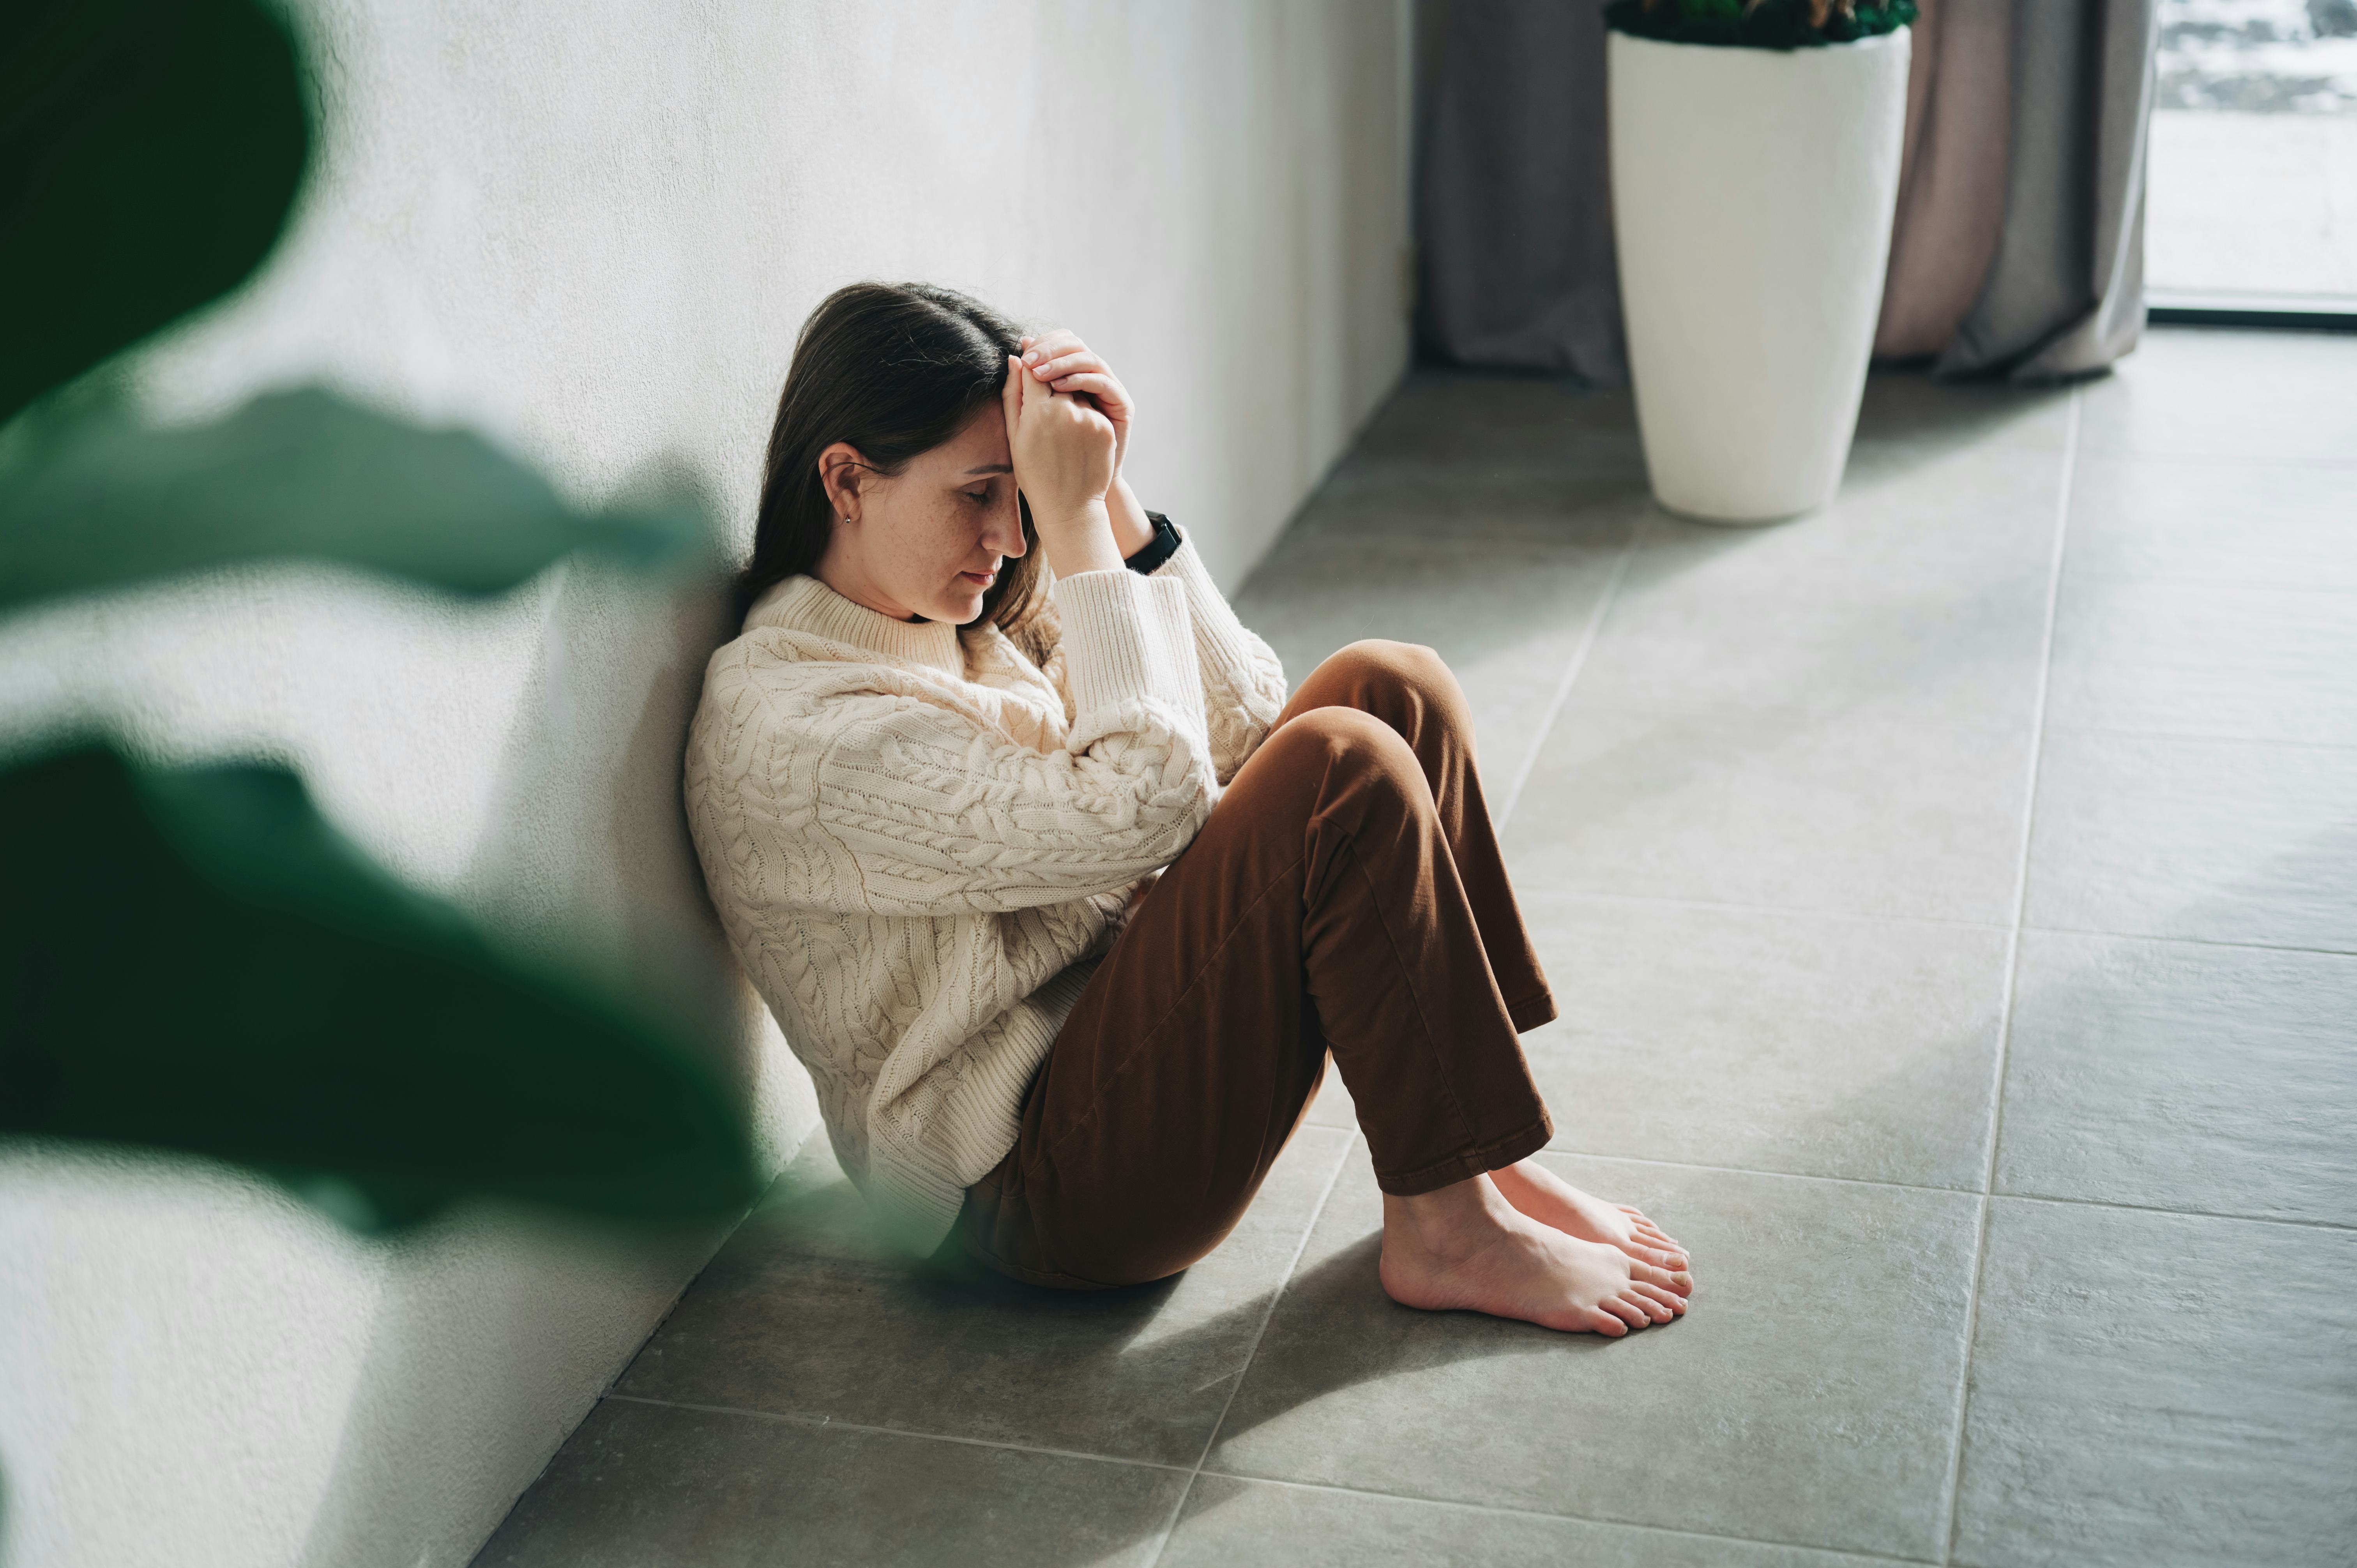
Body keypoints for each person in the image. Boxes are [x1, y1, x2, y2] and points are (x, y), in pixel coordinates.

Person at [684, 282, 1693, 1335]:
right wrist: (1073, 526)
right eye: (979, 493)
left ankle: (1482, 1153)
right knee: (1341, 762)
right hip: (1030, 1194)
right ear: (846, 479)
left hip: (1121, 1048)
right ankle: (1449, 1225)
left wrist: (1112, 501)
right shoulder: (796, 729)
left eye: (1020, 494)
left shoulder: (956, 615)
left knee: (1393, 686)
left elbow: (1247, 728)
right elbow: (1149, 813)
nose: (1010, 537)